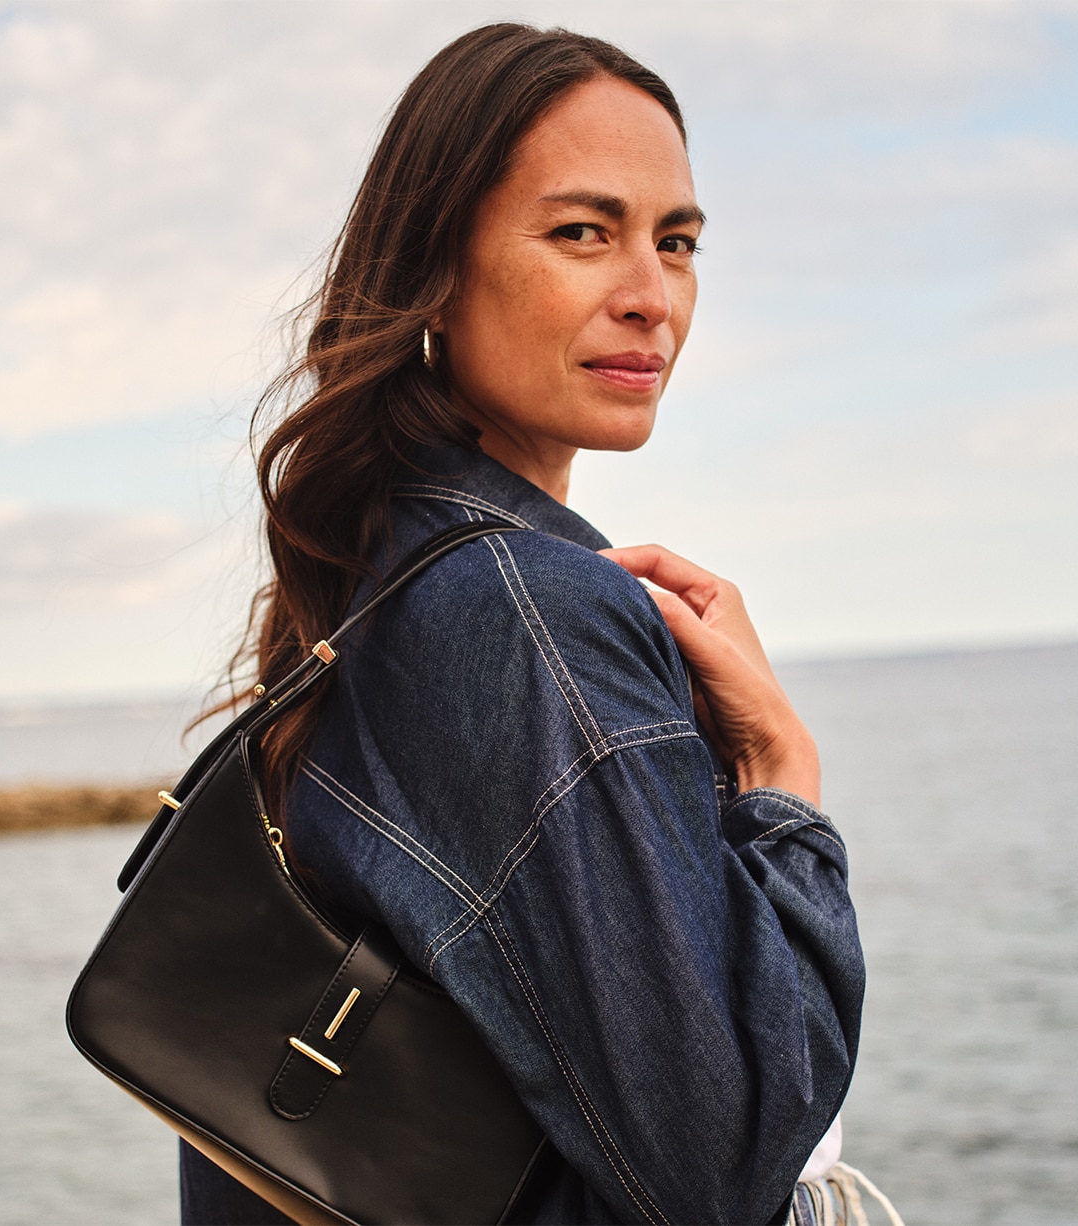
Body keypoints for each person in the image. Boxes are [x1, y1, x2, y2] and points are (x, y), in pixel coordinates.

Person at [182, 23, 864, 1226]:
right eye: (580, 233)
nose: (650, 298)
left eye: (677, 242)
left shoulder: (387, 569)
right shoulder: (530, 609)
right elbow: (717, 1171)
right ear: (434, 268)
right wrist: (780, 781)